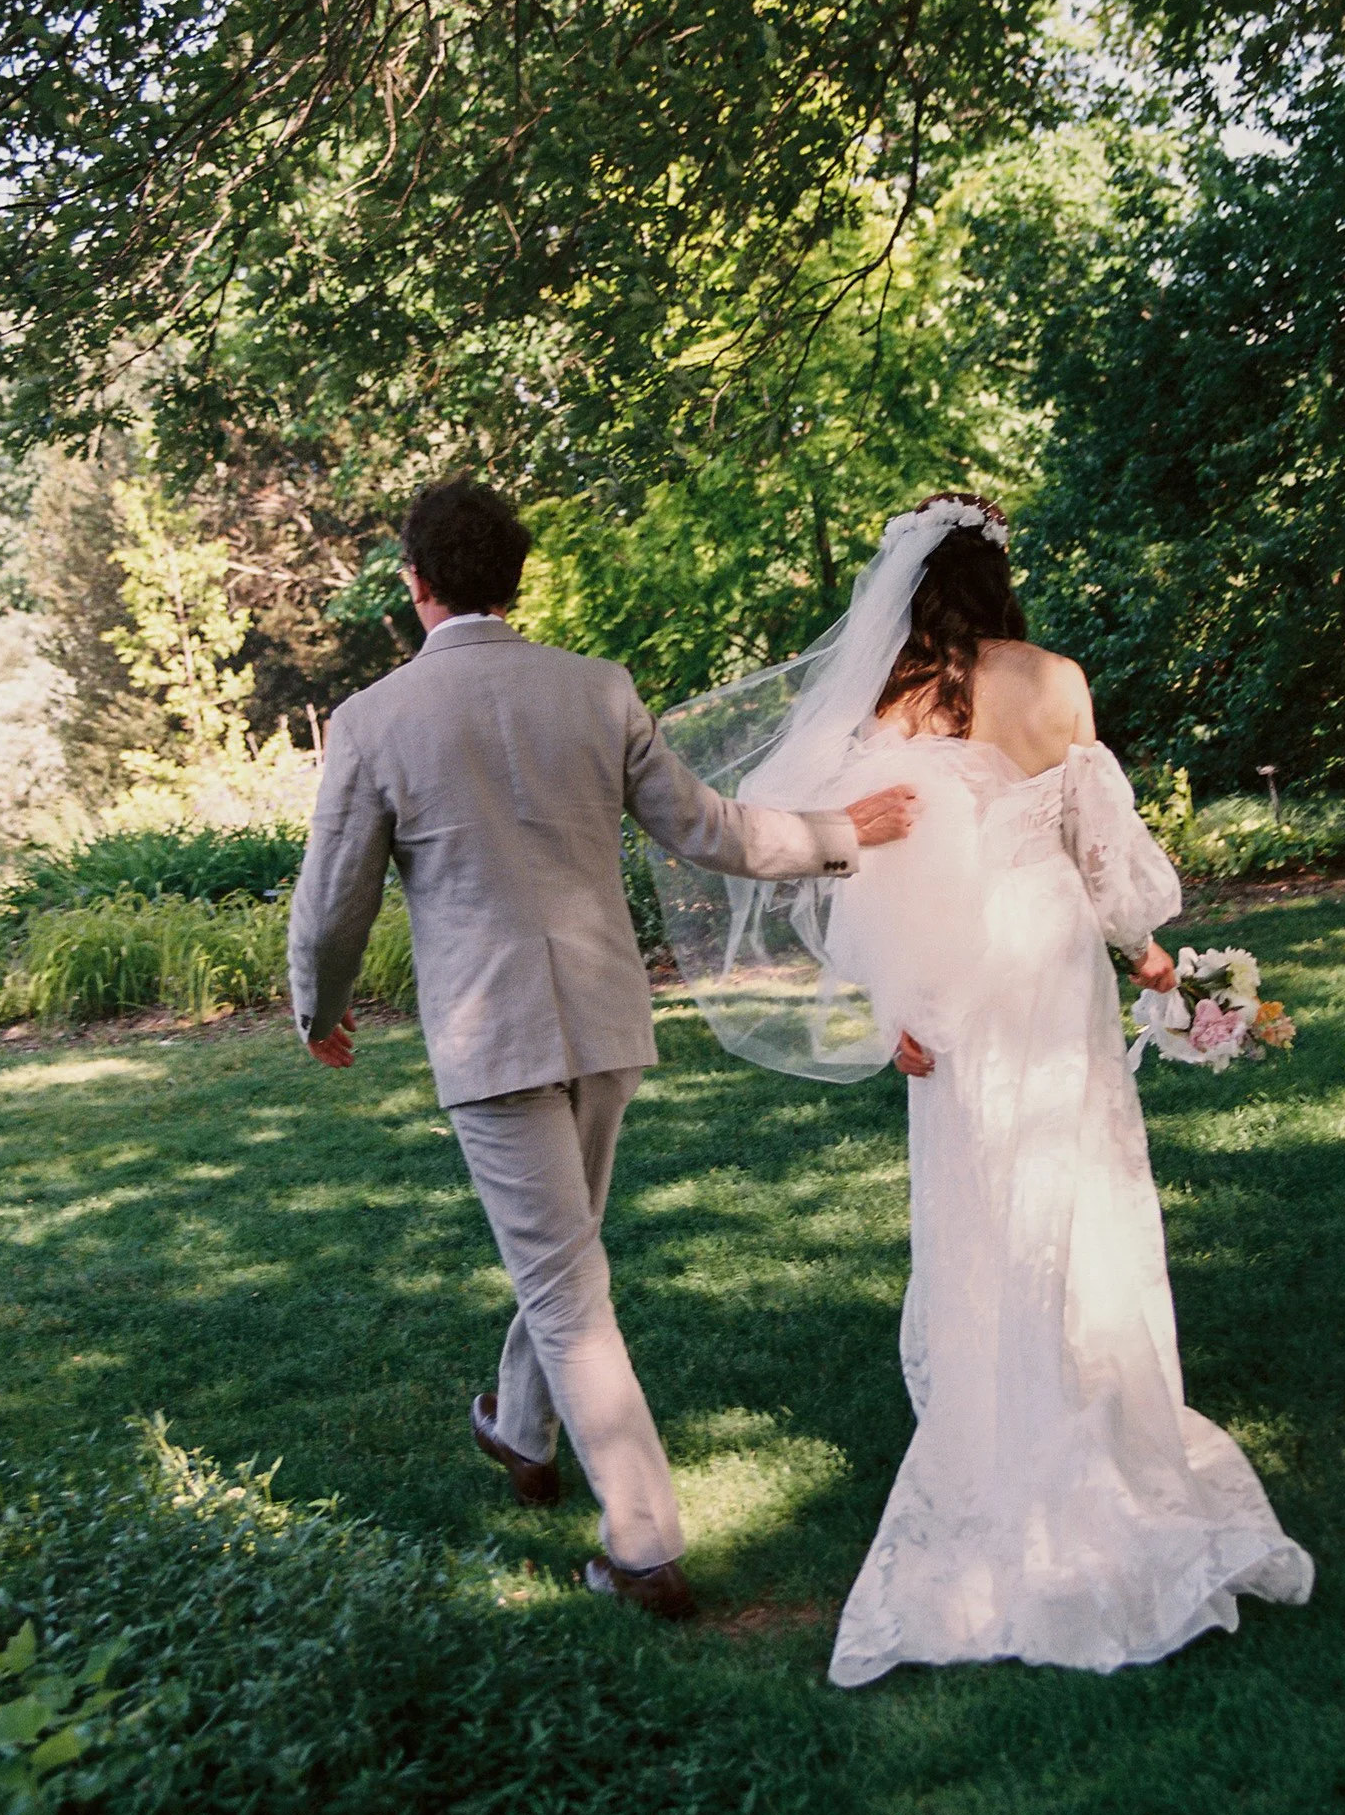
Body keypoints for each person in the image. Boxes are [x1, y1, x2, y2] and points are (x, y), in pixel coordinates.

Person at [650, 492, 1313, 1685]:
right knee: (1074, 1179)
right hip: (1050, 959)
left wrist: (893, 1006)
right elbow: (1101, 857)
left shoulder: (884, 706)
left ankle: (1002, 1428)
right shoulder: (1054, 678)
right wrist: (1151, 956)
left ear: (904, 588)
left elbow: (853, 870)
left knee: (980, 1193)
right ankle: (1097, 1409)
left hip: (957, 985)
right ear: (998, 576)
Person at [286, 474, 917, 1624]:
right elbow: (706, 828)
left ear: (415, 585)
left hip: (493, 1036)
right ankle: (517, 1428)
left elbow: (334, 900)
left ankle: (642, 1544)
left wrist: (317, 1007)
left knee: (567, 1289)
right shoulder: (597, 687)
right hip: (604, 1016)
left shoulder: (376, 718)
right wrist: (837, 834)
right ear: (510, 581)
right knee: (565, 1260)